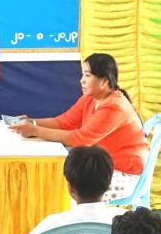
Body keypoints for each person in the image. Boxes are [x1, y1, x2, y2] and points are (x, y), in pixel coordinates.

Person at [10, 54, 149, 203]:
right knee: (59, 181)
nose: (81, 80)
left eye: (87, 75)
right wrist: (32, 122)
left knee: (65, 187)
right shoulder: (91, 98)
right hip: (104, 167)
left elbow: (81, 140)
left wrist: (35, 131)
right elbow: (63, 122)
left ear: (104, 81)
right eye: (83, 75)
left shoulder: (115, 107)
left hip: (126, 175)